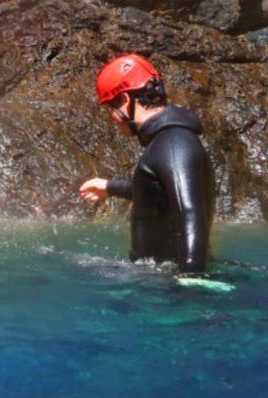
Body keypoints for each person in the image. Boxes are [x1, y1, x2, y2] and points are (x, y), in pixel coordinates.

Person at [78, 53, 215, 273]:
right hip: (157, 277)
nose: (113, 119)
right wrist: (110, 187)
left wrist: (192, 280)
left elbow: (189, 213)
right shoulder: (170, 141)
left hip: (170, 285)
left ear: (125, 100)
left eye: (111, 109)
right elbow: (158, 195)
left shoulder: (172, 143)